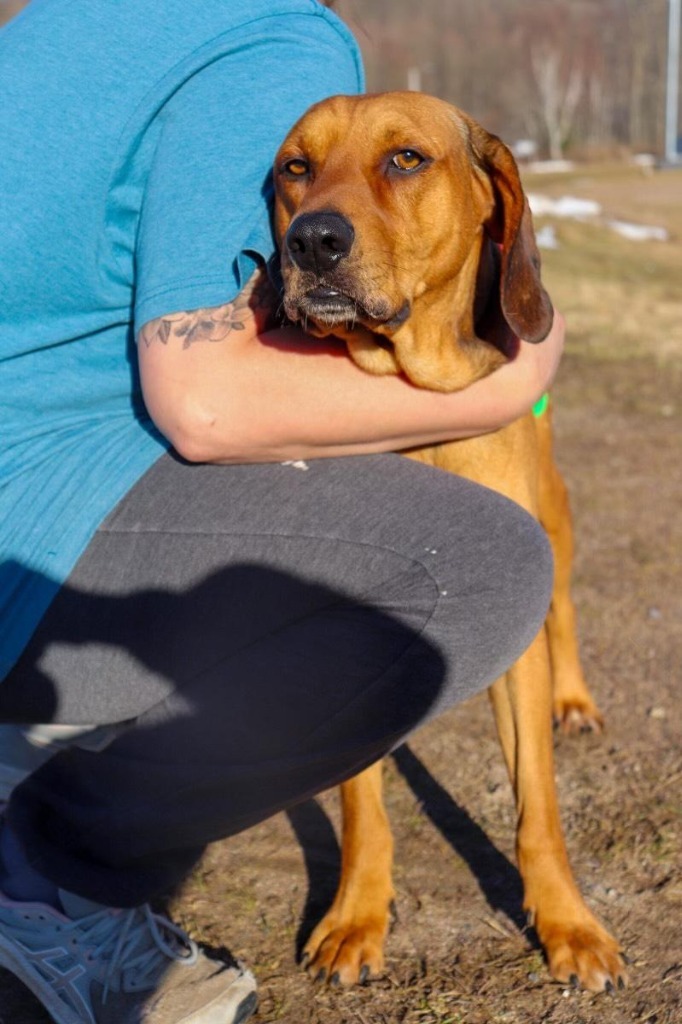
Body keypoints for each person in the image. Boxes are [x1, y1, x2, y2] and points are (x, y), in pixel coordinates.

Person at [0, 1, 563, 1021]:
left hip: (41, 509)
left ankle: (545, 859)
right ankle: (42, 869)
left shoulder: (50, 23)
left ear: (492, 203)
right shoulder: (274, 33)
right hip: (43, 515)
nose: (321, 215)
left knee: (535, 573)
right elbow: (206, 401)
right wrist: (529, 365)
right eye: (297, 176)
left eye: (402, 164)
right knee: (466, 565)